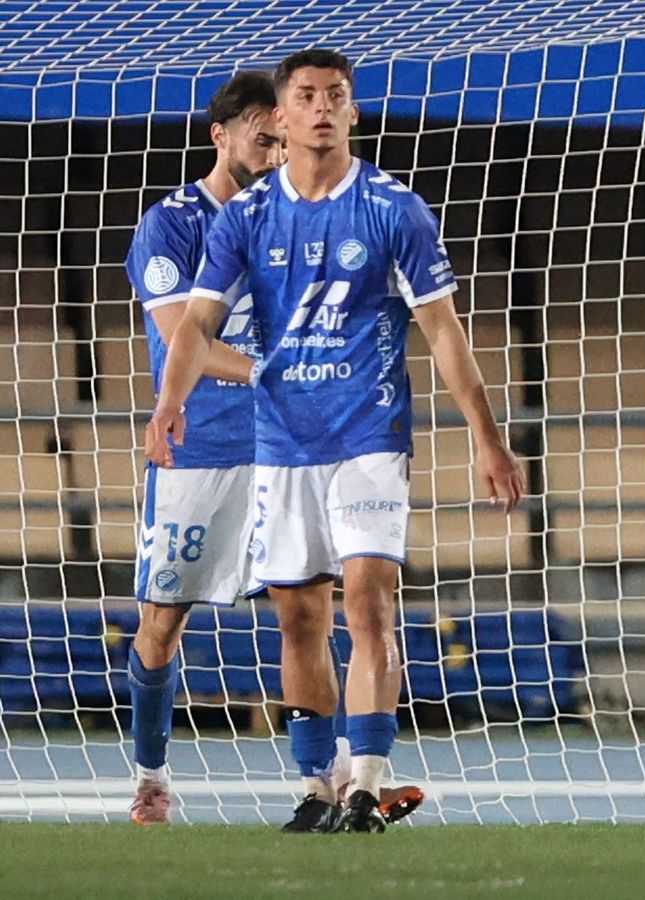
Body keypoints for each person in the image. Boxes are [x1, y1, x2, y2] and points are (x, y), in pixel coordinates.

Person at [145, 48, 524, 833]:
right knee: (297, 619)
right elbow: (198, 324)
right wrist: (166, 404)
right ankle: (318, 785)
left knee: (369, 602)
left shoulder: (394, 209)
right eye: (307, 96)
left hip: (367, 435)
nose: (322, 108)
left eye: (337, 96)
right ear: (280, 119)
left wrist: (489, 439)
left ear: (353, 112)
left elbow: (445, 335)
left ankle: (366, 784)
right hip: (282, 441)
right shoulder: (245, 218)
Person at [123, 70, 282, 825]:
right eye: (260, 124)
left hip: (287, 447)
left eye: (279, 128)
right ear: (220, 134)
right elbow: (183, 339)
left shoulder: (297, 218)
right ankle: (151, 776)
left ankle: (337, 777)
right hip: (199, 450)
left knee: (312, 608)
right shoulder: (172, 223)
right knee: (163, 621)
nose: (273, 139)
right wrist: (278, 372)